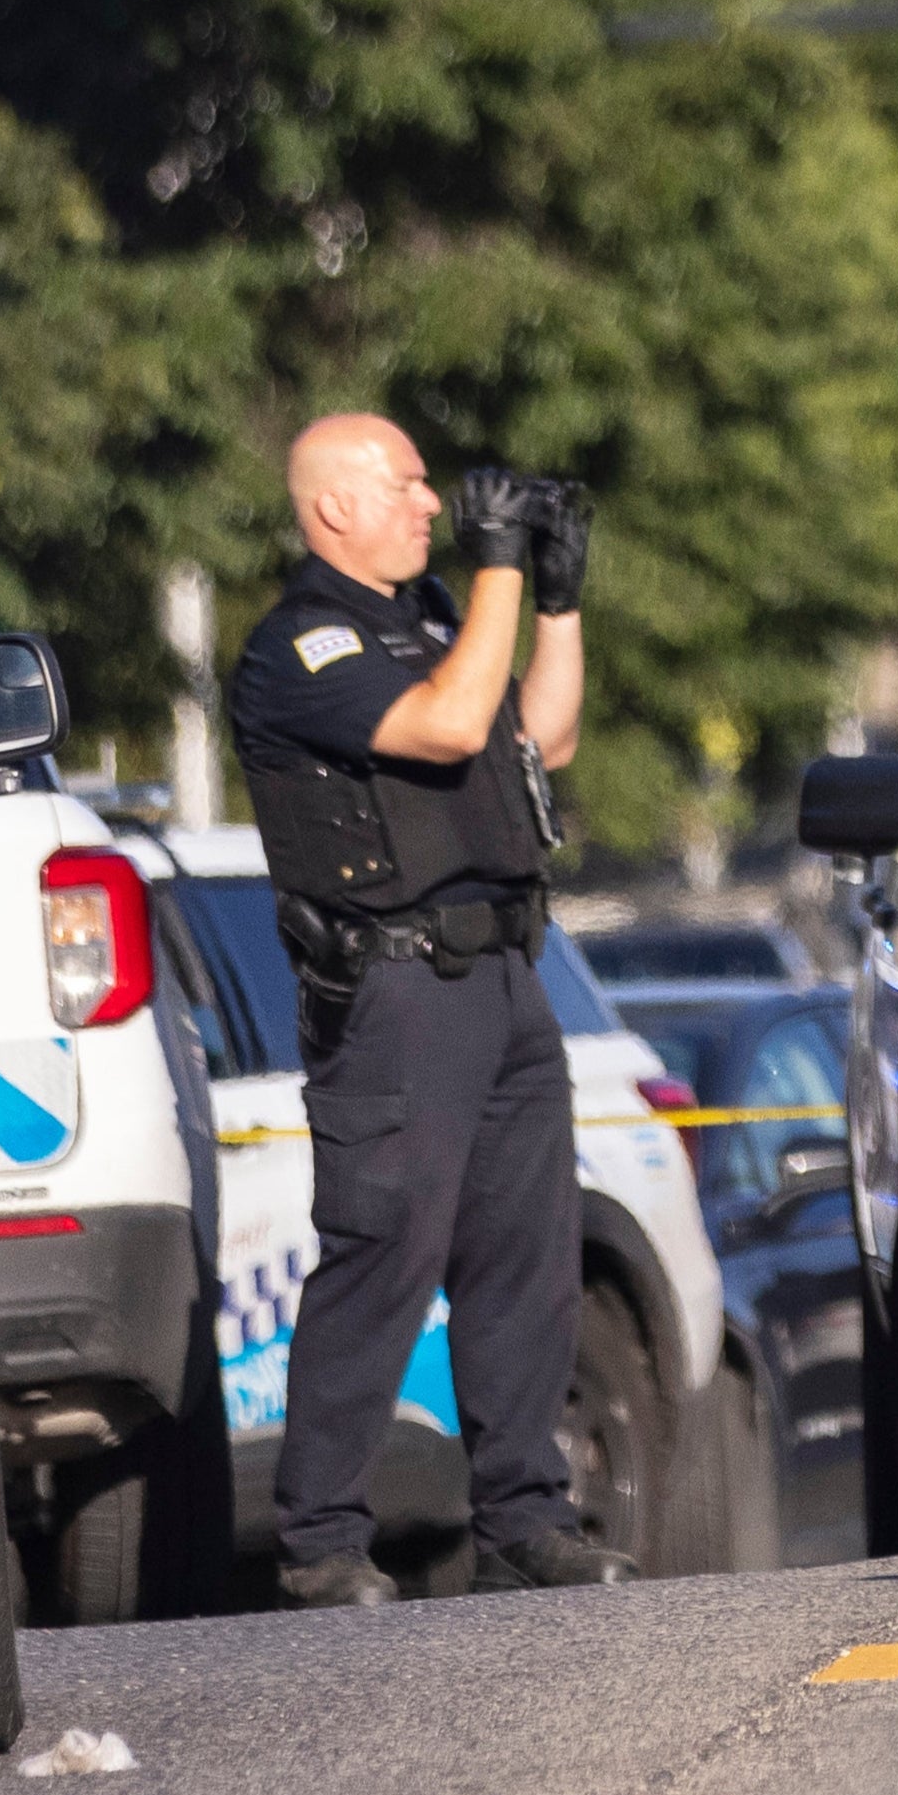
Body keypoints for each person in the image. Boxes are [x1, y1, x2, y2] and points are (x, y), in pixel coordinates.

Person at [225, 416, 627, 1609]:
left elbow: (538, 738)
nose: (429, 506)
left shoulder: (440, 622)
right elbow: (449, 725)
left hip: (504, 976)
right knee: (384, 1258)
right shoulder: (302, 647)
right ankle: (321, 1541)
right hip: (396, 990)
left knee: (527, 1260)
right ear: (331, 508)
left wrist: (551, 597)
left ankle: (523, 1518)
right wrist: (501, 565)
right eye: (402, 486)